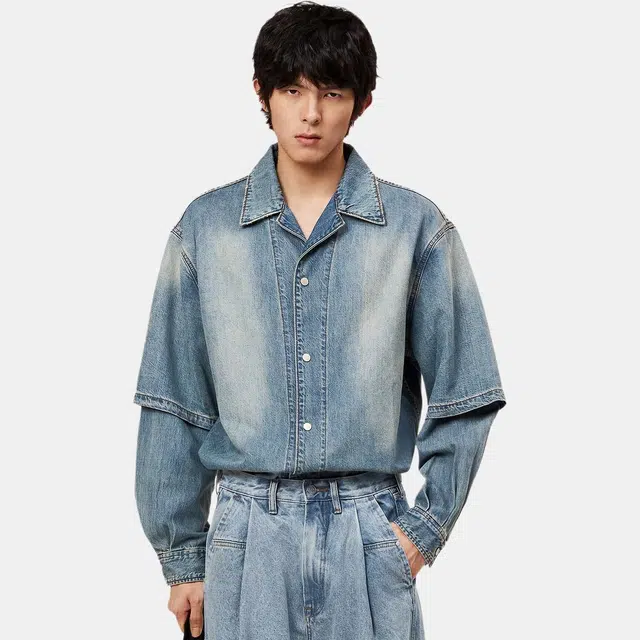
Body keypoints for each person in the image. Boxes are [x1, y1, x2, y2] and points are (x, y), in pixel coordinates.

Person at [133, 2, 507, 639]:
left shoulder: (414, 229)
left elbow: (467, 391)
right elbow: (174, 399)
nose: (311, 113)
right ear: (261, 92)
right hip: (246, 539)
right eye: (291, 91)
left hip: (368, 532)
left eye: (332, 93)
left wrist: (421, 532)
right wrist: (182, 558)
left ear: (362, 102)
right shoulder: (207, 229)